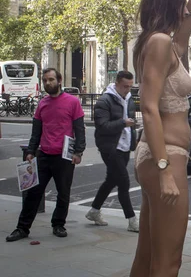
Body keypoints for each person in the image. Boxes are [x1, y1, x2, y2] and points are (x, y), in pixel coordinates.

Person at [129, 0, 191, 277]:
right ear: (169, 5)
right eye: (180, 2)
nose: (183, 10)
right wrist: (164, 170)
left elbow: (181, 42)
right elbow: (148, 108)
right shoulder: (158, 42)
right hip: (165, 156)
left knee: (147, 257)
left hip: (160, 156)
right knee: (169, 262)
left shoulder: (160, 43)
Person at [6, 68, 86, 242]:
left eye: (51, 79)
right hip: (43, 155)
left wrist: (78, 152)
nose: (47, 83)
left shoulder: (72, 102)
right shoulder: (42, 103)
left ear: (59, 80)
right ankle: (22, 228)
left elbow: (80, 130)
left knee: (63, 193)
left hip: (64, 157)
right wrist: (30, 151)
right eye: (45, 80)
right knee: (33, 193)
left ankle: (58, 224)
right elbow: (36, 131)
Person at [86, 70, 139, 232]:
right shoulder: (104, 100)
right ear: (116, 83)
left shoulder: (129, 99)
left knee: (111, 180)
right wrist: (123, 123)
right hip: (110, 147)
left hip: (124, 147)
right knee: (124, 181)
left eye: (130, 87)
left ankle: (94, 211)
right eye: (125, 86)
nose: (128, 90)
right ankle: (132, 220)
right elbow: (102, 126)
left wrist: (134, 136)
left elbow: (131, 122)